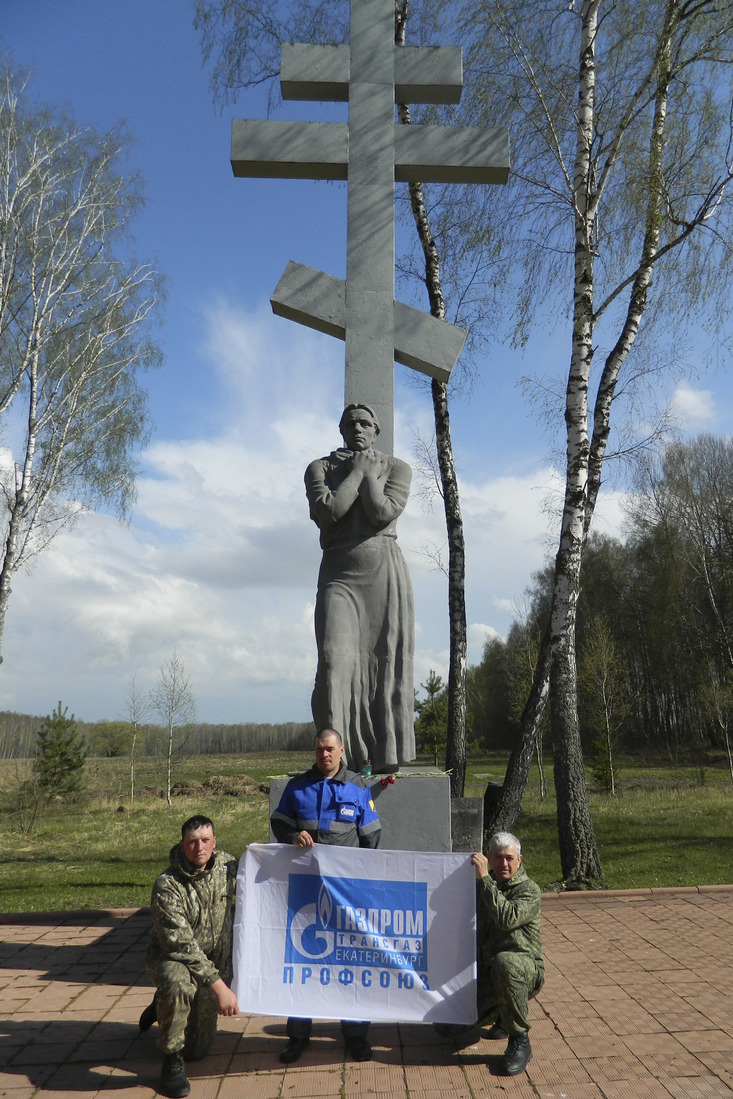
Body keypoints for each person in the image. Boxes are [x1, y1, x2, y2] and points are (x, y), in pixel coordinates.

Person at [305, 403, 415, 773]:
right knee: (333, 661)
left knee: (384, 664)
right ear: (340, 428)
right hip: (338, 575)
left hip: (384, 574)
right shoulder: (319, 469)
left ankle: (382, 756)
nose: (358, 427)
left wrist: (367, 474)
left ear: (376, 430)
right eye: (350, 422)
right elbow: (331, 511)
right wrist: (356, 472)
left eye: (366, 423)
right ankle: (336, 758)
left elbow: (382, 513)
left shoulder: (397, 468)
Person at [270, 727, 381, 1063]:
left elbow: (372, 837)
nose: (325, 755)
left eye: (330, 749)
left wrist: (358, 880)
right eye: (319, 750)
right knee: (304, 961)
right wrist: (292, 835)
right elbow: (279, 822)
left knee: (348, 959)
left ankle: (356, 1034)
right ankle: (297, 1035)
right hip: (305, 891)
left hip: (345, 892)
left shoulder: (358, 787)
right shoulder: (297, 787)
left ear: (342, 750)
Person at [139, 816, 239, 1098]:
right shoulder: (167, 885)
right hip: (172, 959)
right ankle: (171, 1062)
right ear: (182, 845)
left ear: (214, 842)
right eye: (192, 842)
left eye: (205, 840)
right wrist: (219, 986)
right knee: (179, 984)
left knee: (198, 1050)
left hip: (212, 964)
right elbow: (180, 945)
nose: (199, 847)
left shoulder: (228, 867)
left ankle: (163, 1005)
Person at [470, 831, 544, 1076]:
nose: (504, 863)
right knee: (445, 1027)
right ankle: (503, 1013)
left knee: (506, 962)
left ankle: (519, 1039)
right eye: (498, 857)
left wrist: (484, 879)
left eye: (510, 858)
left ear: (520, 860)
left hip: (524, 971)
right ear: (489, 858)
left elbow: (506, 918)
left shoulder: (529, 890)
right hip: (490, 972)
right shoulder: (483, 884)